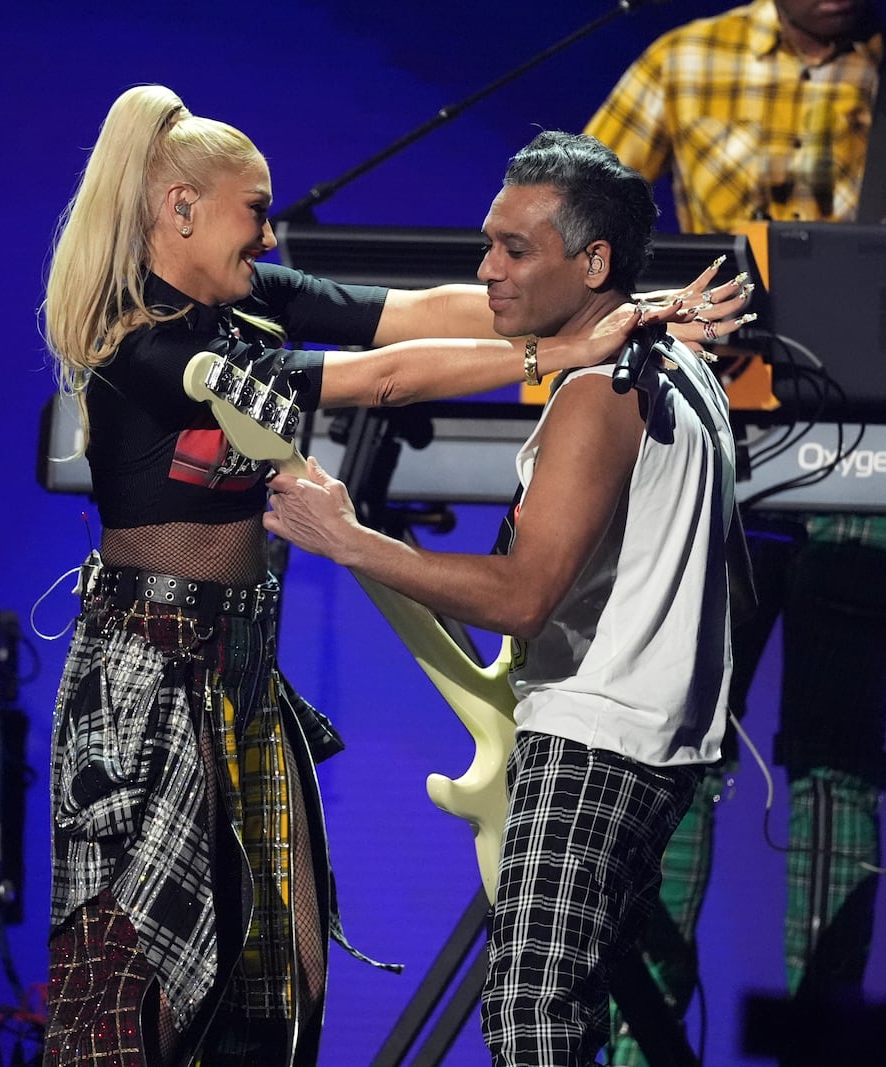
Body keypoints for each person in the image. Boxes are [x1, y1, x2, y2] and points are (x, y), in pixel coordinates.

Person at [37, 86, 742, 1067]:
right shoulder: (150, 345)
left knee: (283, 973)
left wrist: (624, 309)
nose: (271, 233)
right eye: (256, 209)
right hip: (150, 670)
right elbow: (382, 376)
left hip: (238, 662)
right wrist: (560, 347)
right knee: (137, 968)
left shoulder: (249, 302)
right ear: (180, 210)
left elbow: (417, 312)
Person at [582, 0, 886, 1058]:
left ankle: (820, 1035)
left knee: (834, 760)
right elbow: (571, 228)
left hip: (867, 452)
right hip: (710, 437)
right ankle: (645, 1037)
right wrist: (666, 307)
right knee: (670, 741)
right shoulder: (684, 58)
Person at [264, 129, 742, 1066]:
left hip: (597, 739)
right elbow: (411, 323)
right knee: (565, 1006)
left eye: (515, 250)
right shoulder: (678, 363)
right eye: (490, 242)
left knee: (531, 1012)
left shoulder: (601, 387)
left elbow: (523, 597)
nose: (488, 269)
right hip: (650, 740)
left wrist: (351, 542)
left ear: (594, 262)